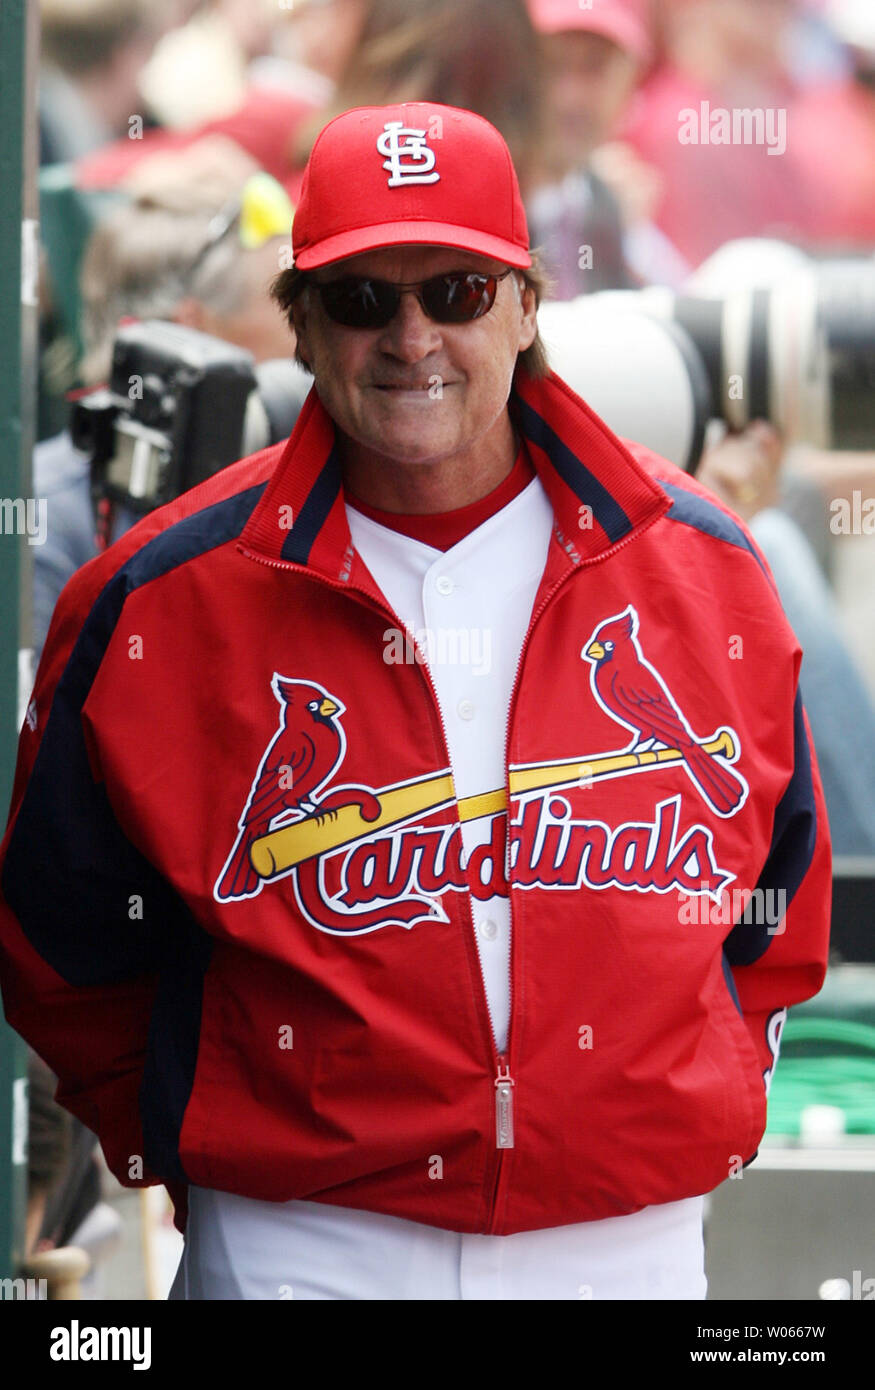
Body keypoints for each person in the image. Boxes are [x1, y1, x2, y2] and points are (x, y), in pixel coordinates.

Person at [0, 102, 831, 1300]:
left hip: (622, 1243)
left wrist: (683, 1094)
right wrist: (211, 1117)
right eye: (359, 299)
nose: (410, 338)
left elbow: (777, 907)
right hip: (304, 1249)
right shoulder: (158, 596)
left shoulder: (703, 566)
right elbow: (56, 937)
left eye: (454, 291)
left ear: (526, 304)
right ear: (300, 322)